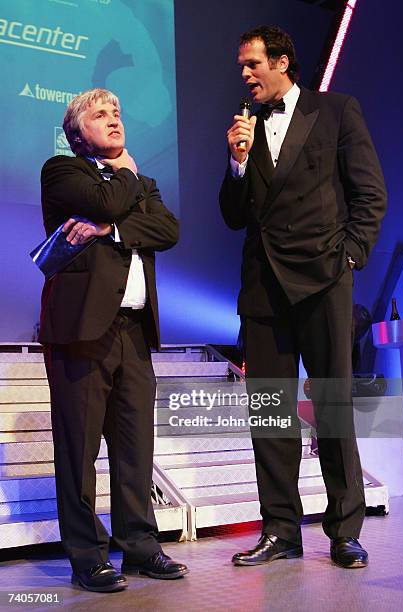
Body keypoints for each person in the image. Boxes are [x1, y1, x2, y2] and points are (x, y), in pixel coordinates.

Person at [219, 26, 386, 569]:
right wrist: (237, 162)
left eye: (252, 64)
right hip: (263, 289)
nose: (244, 75)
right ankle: (280, 530)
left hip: (323, 282)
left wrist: (351, 256)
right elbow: (232, 214)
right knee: (269, 415)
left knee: (333, 409)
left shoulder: (335, 110)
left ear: (282, 62)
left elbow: (369, 192)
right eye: (242, 66)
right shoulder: (244, 126)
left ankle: (344, 531)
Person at [39, 88, 188, 592]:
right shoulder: (62, 172)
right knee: (79, 451)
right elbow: (107, 199)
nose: (114, 120)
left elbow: (167, 229)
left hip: (134, 333)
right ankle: (87, 557)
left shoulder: (140, 182)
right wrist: (122, 184)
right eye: (100, 115)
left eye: (117, 112)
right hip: (80, 333)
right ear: (78, 134)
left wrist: (110, 229)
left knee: (134, 450)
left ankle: (141, 549)